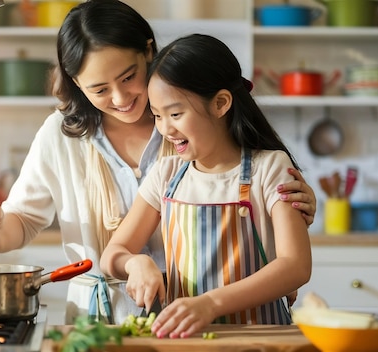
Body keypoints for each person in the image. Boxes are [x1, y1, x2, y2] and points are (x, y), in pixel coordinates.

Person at [0, 0, 315, 325]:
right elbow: (22, 223)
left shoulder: (197, 133)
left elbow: (285, 251)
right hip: (102, 316)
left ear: (147, 50)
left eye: (129, 77)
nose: (121, 98)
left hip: (202, 316)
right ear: (77, 85)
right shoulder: (64, 136)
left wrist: (283, 212)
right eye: (99, 89)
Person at [100, 33, 312, 338]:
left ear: (221, 103)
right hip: (189, 339)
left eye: (175, 114)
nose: (165, 129)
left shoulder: (270, 168)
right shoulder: (166, 174)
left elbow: (296, 266)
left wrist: (211, 303)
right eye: (157, 116)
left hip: (262, 338)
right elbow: (113, 254)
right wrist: (135, 263)